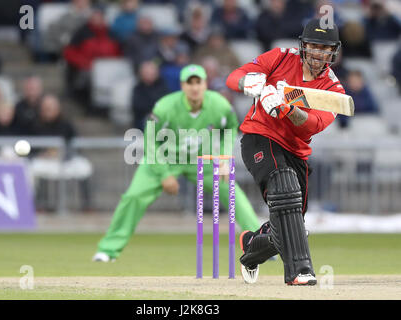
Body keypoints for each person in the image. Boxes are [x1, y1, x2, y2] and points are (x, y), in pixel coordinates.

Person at [93, 64, 261, 262]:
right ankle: (108, 250)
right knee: (133, 197)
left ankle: (259, 244)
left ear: (205, 83)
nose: (194, 87)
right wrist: (164, 174)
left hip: (202, 159)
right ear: (182, 86)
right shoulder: (165, 106)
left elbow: (230, 128)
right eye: (189, 83)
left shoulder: (220, 105)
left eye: (198, 82)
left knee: (231, 193)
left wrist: (224, 158)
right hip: (165, 159)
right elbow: (150, 140)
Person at [226, 18, 345, 285]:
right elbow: (233, 77)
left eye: (324, 48)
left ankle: (251, 248)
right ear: (303, 46)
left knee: (290, 228)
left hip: (296, 152)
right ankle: (300, 271)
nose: (318, 53)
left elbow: (312, 126)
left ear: (333, 51)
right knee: (284, 184)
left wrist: (286, 108)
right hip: (260, 137)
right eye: (313, 45)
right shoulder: (279, 58)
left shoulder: (333, 89)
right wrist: (250, 83)